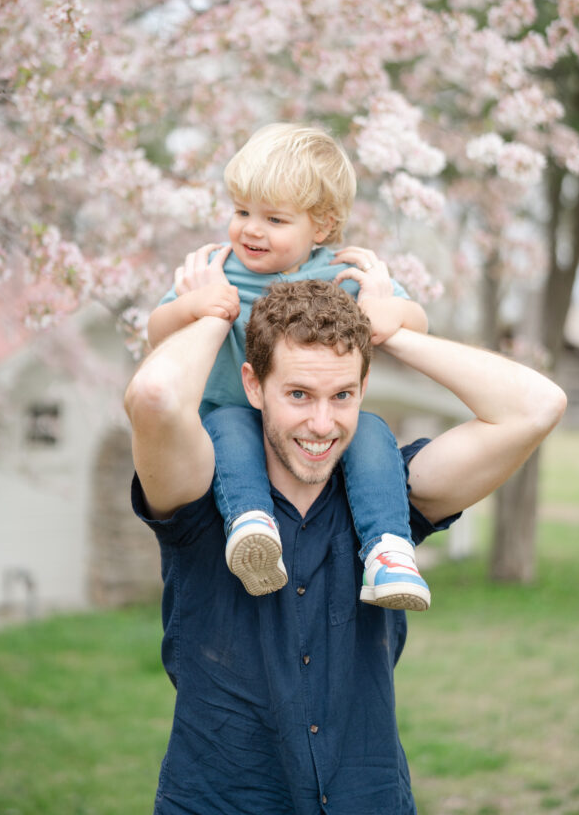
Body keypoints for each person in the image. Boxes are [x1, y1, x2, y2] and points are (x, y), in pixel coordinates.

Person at [125, 277, 566, 815]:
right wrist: (216, 314)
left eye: (343, 396)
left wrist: (393, 333)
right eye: (299, 394)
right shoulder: (200, 494)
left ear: (363, 388)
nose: (322, 424)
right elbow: (155, 397)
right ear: (253, 386)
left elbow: (538, 406)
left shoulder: (391, 501)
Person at [147, 122, 432, 611]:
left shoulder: (341, 273)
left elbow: (417, 323)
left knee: (372, 434)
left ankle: (389, 550)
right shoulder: (218, 267)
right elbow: (157, 331)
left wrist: (389, 310)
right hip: (233, 409)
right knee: (232, 431)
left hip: (313, 417)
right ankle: (252, 528)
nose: (251, 229)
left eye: (274, 219)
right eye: (241, 212)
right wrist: (195, 305)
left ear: (319, 226)